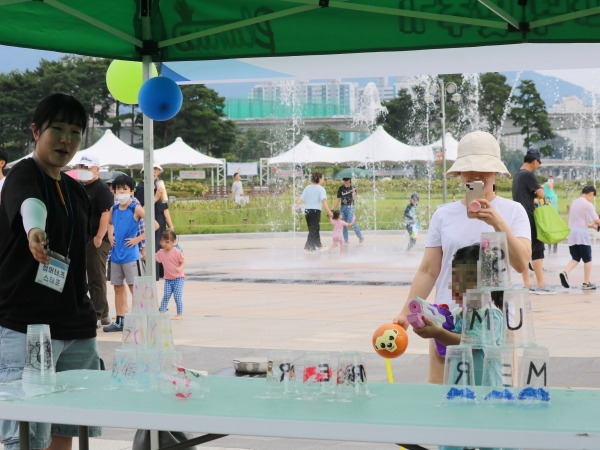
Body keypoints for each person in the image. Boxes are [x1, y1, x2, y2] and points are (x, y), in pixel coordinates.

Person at [0, 93, 101, 449]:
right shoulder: (21, 174)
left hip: (76, 324)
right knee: (25, 436)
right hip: (27, 326)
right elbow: (31, 204)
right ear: (35, 132)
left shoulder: (75, 189)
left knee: (69, 427)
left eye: (75, 132)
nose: (66, 140)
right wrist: (35, 230)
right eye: (56, 129)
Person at [394, 130, 531, 383]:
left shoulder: (513, 211)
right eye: (469, 169)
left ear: (496, 173)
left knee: (495, 398)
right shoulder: (443, 215)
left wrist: (496, 221)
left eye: (484, 169)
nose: (476, 175)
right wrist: (405, 312)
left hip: (495, 322)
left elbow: (522, 262)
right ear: (458, 173)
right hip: (447, 321)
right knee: (446, 401)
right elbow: (428, 270)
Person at [410, 244, 503, 385]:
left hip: (485, 392)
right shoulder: (457, 314)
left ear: (489, 285)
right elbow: (447, 347)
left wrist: (438, 333)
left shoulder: (491, 314)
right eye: (455, 281)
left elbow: (473, 345)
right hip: (459, 389)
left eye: (467, 283)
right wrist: (430, 320)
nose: (458, 288)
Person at [104, 175, 153, 333]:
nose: (121, 192)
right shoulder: (114, 208)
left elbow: (155, 225)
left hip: (131, 256)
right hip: (116, 256)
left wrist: (138, 239)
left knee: (135, 288)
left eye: (125, 189)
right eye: (119, 189)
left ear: (131, 191)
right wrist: (110, 235)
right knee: (118, 288)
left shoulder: (135, 208)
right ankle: (120, 320)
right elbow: (110, 224)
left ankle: (143, 318)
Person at [76, 153, 113, 327]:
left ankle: (97, 313)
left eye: (88, 168)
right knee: (85, 276)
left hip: (97, 239)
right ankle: (104, 314)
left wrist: (99, 237)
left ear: (97, 169)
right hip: (82, 238)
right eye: (82, 167)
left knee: (96, 277)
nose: (84, 171)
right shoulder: (79, 187)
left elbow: (106, 213)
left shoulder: (102, 189)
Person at [512, 148, 550, 292]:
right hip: (529, 216)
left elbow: (523, 197)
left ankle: (527, 283)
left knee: (526, 249)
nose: (538, 166)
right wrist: (544, 198)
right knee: (537, 249)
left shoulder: (518, 175)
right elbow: (541, 195)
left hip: (520, 216)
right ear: (535, 161)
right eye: (538, 163)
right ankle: (541, 285)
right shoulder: (528, 175)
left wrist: (532, 201)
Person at [134, 163, 174, 279]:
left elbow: (165, 207)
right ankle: (151, 275)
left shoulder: (158, 186)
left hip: (160, 223)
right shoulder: (142, 188)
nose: (154, 172)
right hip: (149, 223)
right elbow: (141, 210)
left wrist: (171, 226)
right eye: (152, 169)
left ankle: (160, 274)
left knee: (160, 247)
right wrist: (155, 197)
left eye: (156, 170)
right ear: (144, 173)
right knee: (152, 249)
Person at [560, 185, 600, 290]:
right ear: (591, 194)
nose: (592, 199)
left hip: (572, 235)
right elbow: (597, 220)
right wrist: (595, 223)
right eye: (593, 197)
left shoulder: (575, 203)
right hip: (582, 236)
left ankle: (565, 272)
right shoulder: (588, 205)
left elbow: (578, 221)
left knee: (576, 258)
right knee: (588, 259)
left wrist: (591, 226)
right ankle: (586, 283)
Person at [294, 171, 333, 254]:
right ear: (319, 179)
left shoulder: (307, 187)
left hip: (307, 211)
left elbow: (301, 198)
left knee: (315, 229)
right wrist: (329, 211)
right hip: (315, 211)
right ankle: (307, 248)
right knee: (313, 229)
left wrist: (296, 206)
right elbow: (323, 201)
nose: (323, 179)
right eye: (322, 178)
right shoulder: (321, 189)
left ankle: (319, 246)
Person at [157, 230, 186, 320]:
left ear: (173, 242)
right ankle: (162, 312)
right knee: (166, 295)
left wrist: (181, 268)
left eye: (168, 242)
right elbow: (153, 258)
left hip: (178, 278)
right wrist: (143, 256)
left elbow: (183, 261)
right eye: (163, 241)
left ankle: (179, 314)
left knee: (177, 296)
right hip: (168, 279)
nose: (165, 244)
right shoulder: (161, 252)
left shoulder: (177, 252)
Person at [332, 177, 364, 245]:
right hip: (343, 207)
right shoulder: (341, 188)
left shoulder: (353, 187)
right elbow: (338, 199)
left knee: (352, 221)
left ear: (350, 180)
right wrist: (332, 209)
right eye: (344, 180)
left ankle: (360, 236)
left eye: (347, 180)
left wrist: (353, 192)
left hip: (350, 207)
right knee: (343, 223)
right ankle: (346, 240)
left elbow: (354, 198)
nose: (345, 181)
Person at [543, 176, 559, 254]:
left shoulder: (551, 193)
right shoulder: (546, 195)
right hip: (549, 215)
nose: (551, 183)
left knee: (554, 233)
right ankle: (550, 250)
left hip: (554, 215)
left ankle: (554, 251)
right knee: (551, 233)